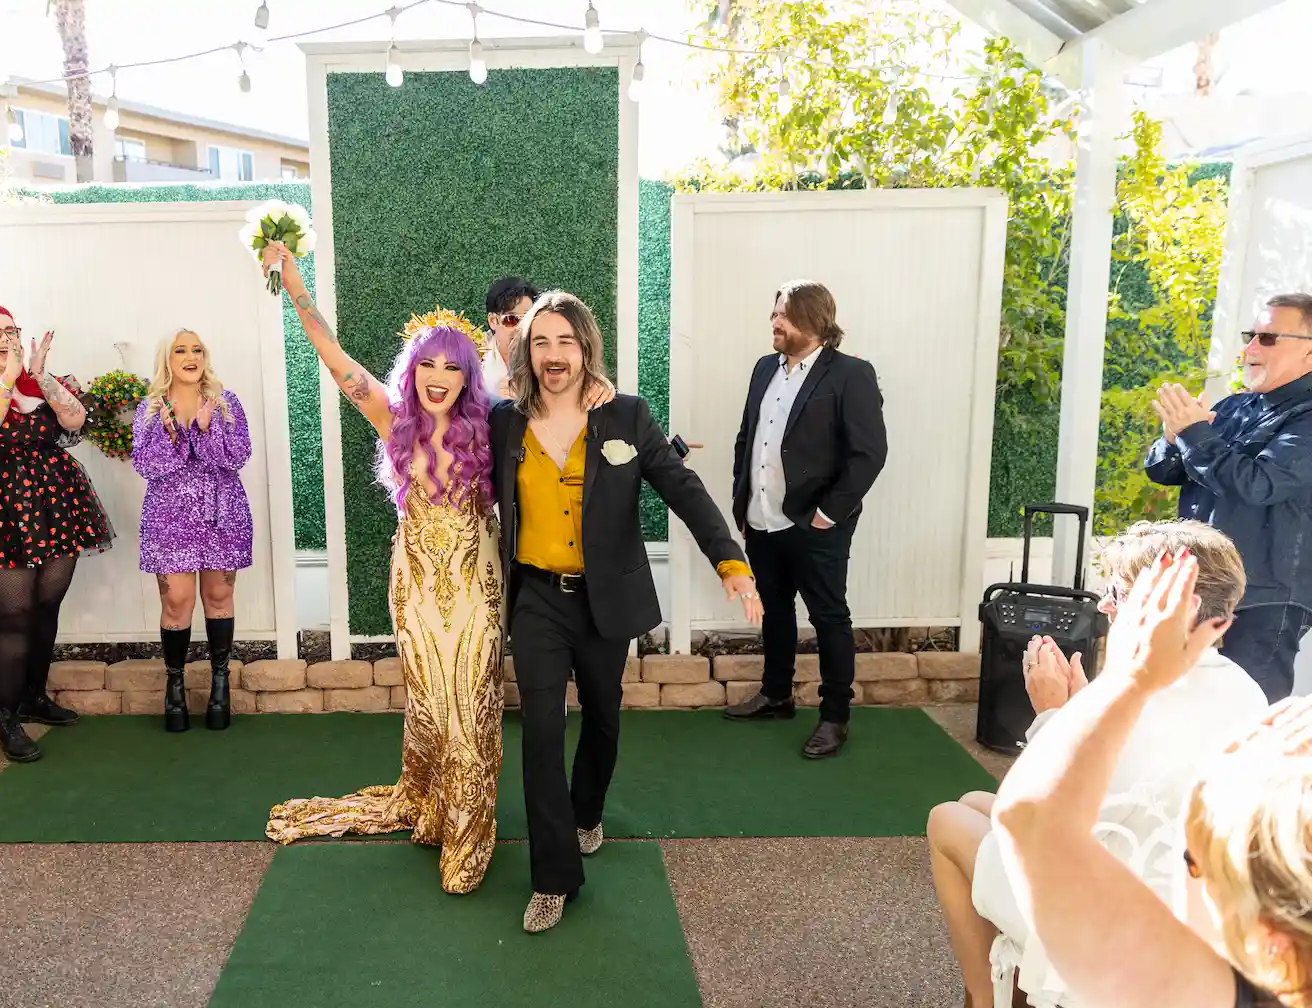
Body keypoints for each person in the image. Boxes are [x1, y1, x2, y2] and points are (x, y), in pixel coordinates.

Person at [878, 551, 1312, 1008]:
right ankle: (1006, 1004)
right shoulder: (1247, 692)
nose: (1105, 605)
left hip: (1113, 901)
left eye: (1122, 594)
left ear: (1172, 607)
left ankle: (980, 1006)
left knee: (946, 819)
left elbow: (1039, 825)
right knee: (974, 802)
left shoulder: (1135, 691)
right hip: (1148, 870)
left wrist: (1056, 717)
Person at [490, 290, 763, 933]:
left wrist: (732, 564)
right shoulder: (504, 421)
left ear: (587, 348)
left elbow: (684, 491)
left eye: (566, 342)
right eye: (541, 342)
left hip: (604, 597)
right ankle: (553, 878)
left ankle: (588, 813)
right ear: (527, 352)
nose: (554, 355)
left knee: (604, 721)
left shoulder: (626, 417)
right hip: (535, 599)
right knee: (541, 734)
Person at [259, 242, 507, 894]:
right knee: (432, 702)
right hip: (417, 589)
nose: (437, 375)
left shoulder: (493, 428)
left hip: (478, 591)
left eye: (450, 367)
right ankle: (435, 808)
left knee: (469, 704)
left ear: (468, 376)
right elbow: (335, 359)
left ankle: (470, 835)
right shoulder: (392, 417)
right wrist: (297, 289)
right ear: (413, 368)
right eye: (426, 362)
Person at [0, 306, 114, 763]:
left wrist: (40, 376)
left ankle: (34, 696)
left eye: (10, 330)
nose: (3, 337)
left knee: (47, 603)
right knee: (11, 615)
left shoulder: (41, 384)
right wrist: (7, 379)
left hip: (54, 502)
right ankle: (7, 720)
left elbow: (74, 422)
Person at [724, 280, 888, 759]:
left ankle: (835, 715)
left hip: (816, 524)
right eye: (774, 312)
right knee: (774, 611)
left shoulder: (851, 374)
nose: (774, 323)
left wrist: (828, 513)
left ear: (816, 323)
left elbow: (869, 453)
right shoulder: (763, 369)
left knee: (829, 616)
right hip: (763, 518)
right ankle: (776, 694)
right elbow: (747, 438)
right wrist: (744, 502)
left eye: (785, 316)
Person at [1146, 292, 1312, 701]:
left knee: (1249, 715)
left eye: (1268, 338)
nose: (1250, 348)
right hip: (1200, 587)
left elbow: (1259, 484)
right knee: (1180, 706)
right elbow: (1165, 471)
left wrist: (1195, 433)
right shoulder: (1236, 406)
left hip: (1264, 598)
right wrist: (1173, 438)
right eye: (1249, 335)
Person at [132, 329, 254, 733]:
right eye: (180, 350)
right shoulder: (150, 409)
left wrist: (204, 430)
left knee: (219, 595)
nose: (190, 356)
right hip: (169, 516)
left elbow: (238, 455)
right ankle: (175, 688)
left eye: (197, 349)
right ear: (167, 358)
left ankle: (222, 687)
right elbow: (147, 466)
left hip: (221, 512)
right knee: (177, 601)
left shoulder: (225, 402)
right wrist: (171, 434)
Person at [482, 276, 538, 400]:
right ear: (493, 321)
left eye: (528, 320)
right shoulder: (473, 355)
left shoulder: (544, 356)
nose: (520, 328)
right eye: (511, 320)